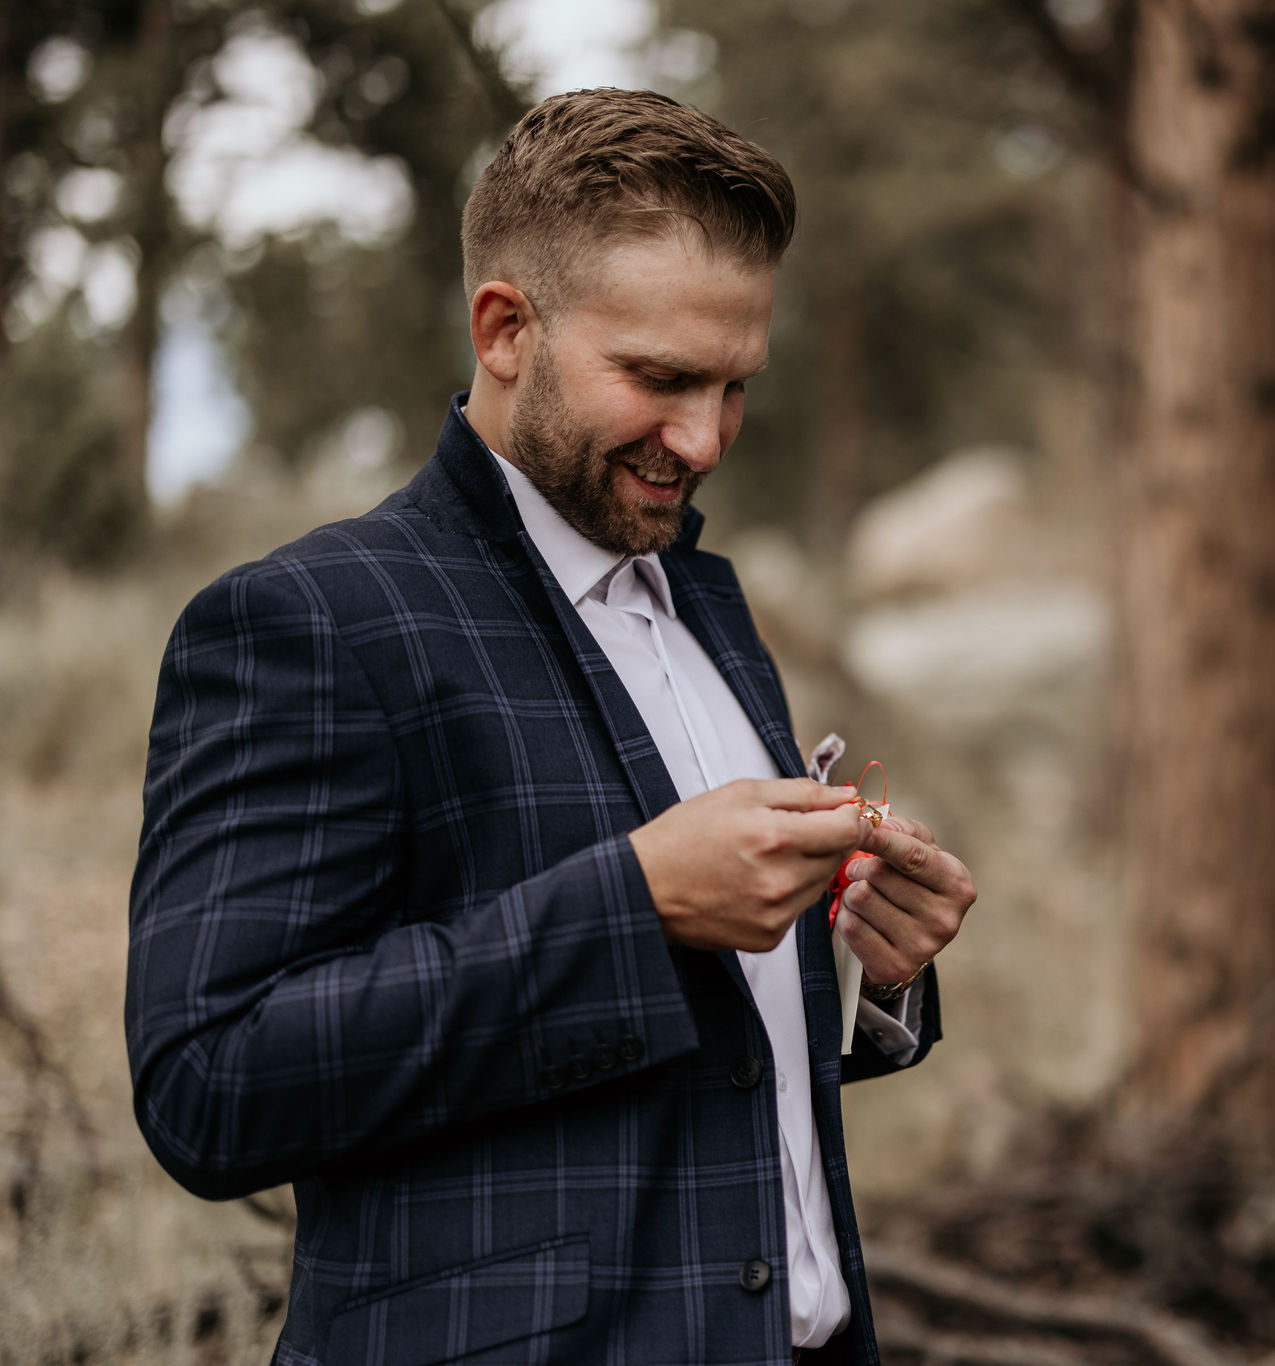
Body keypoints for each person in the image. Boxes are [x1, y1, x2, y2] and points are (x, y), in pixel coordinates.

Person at [125, 87, 976, 1366]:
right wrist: (635, 908)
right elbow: (211, 1083)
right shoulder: (309, 620)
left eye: (737, 384)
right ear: (506, 326)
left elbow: (717, 1066)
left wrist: (872, 973)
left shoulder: (709, 601)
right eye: (660, 379)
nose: (703, 437)